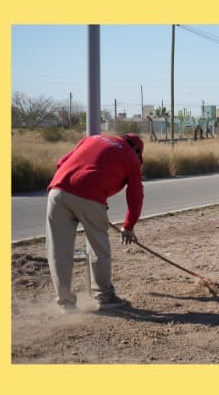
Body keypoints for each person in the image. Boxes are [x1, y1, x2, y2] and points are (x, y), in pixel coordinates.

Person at [45, 132, 145, 312]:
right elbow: (136, 194)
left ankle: (66, 303)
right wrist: (128, 226)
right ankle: (105, 298)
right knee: (98, 248)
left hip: (57, 191)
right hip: (90, 197)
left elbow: (61, 162)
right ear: (137, 151)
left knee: (58, 250)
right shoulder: (131, 158)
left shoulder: (92, 139)